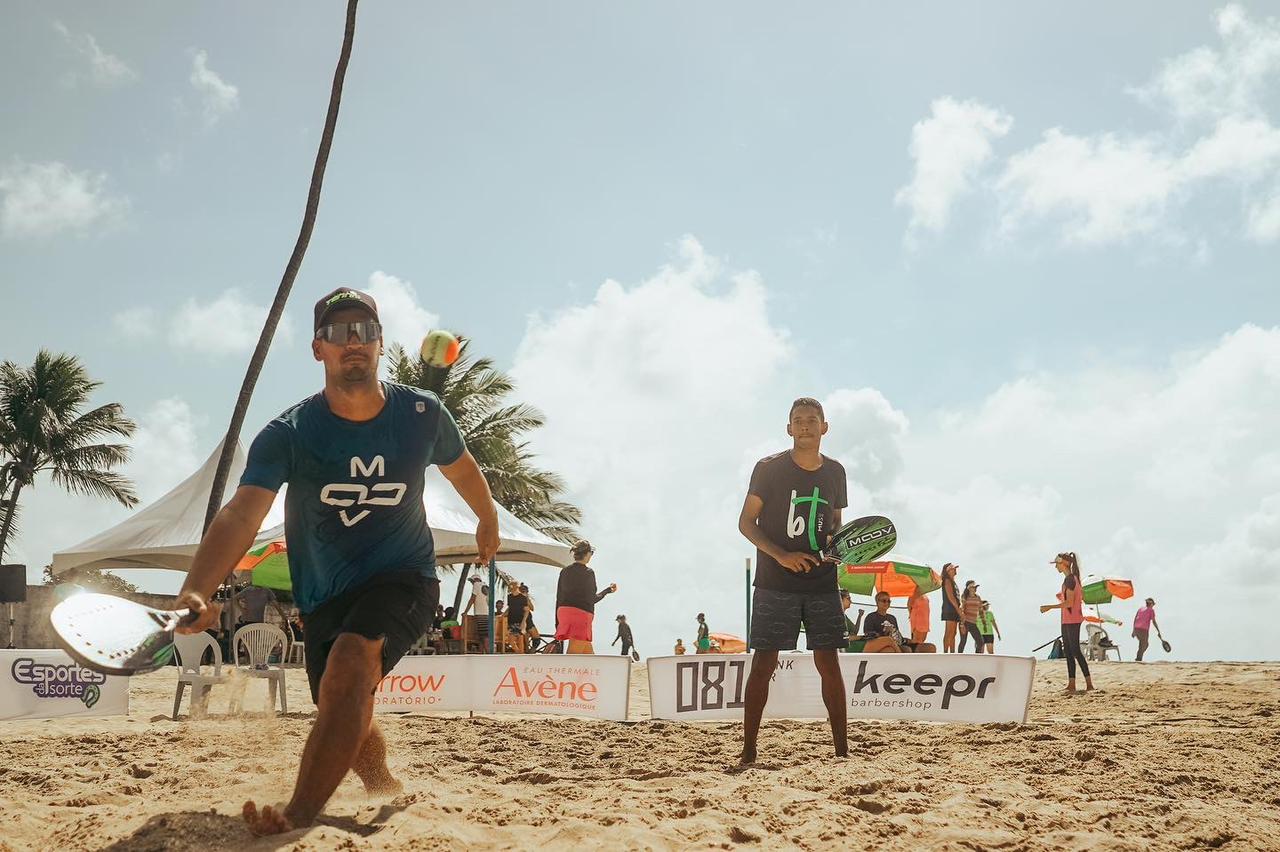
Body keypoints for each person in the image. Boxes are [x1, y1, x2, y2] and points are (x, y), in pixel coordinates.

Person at [174, 286, 501, 835]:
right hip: (324, 595)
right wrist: (197, 590)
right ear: (317, 348)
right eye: (339, 333)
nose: (354, 342)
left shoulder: (422, 414)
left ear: (379, 344)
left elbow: (462, 467)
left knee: (351, 669)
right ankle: (383, 785)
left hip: (405, 579)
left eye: (365, 332)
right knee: (341, 701)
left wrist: (487, 517)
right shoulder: (289, 433)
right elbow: (240, 516)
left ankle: (299, 814)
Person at [737, 397, 849, 765]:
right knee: (763, 665)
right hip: (774, 582)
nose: (805, 425)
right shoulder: (768, 469)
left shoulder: (836, 472)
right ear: (788, 428)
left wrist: (834, 547)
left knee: (828, 664)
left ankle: (842, 753)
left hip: (822, 582)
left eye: (812, 420)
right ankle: (749, 751)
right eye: (798, 420)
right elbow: (746, 524)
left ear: (824, 427)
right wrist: (782, 556)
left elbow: (835, 524)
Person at [1040, 551, 1094, 693]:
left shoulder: (1070, 579)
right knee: (1068, 652)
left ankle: (1089, 684)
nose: (1055, 567)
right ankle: (1072, 684)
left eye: (1056, 564)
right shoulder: (1068, 580)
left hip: (1073, 620)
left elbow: (1069, 603)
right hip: (1066, 620)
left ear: (1064, 564)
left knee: (1075, 651)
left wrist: (1049, 607)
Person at [554, 540, 617, 654]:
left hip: (563, 613)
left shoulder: (564, 571)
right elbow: (592, 599)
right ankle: (564, 672)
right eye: (591, 553)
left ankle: (598, 671)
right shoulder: (588, 572)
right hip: (581, 614)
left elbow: (559, 597)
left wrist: (557, 623)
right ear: (587, 554)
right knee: (574, 654)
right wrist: (606, 591)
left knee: (588, 655)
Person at [958, 581, 985, 653]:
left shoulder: (978, 597)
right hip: (965, 622)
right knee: (963, 642)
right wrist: (962, 624)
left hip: (973, 623)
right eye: (973, 587)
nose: (975, 588)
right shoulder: (964, 596)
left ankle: (977, 657)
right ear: (969, 588)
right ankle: (958, 658)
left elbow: (981, 610)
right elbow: (962, 610)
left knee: (980, 642)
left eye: (976, 587)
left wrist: (983, 621)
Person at [940, 563, 961, 653]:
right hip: (950, 609)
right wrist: (959, 611)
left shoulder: (952, 581)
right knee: (949, 632)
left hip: (953, 609)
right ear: (948, 570)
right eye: (953, 568)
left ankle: (952, 653)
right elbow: (951, 597)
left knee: (953, 633)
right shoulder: (947, 580)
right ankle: (945, 653)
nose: (955, 570)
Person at [1132, 597, 1160, 661]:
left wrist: (1133, 630)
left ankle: (1139, 657)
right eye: (1153, 604)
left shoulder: (1140, 609)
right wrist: (1158, 631)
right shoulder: (1151, 610)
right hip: (1143, 630)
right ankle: (1138, 658)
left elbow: (1135, 619)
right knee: (1144, 644)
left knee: (1143, 644)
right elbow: (1154, 621)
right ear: (1151, 604)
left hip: (1136, 628)